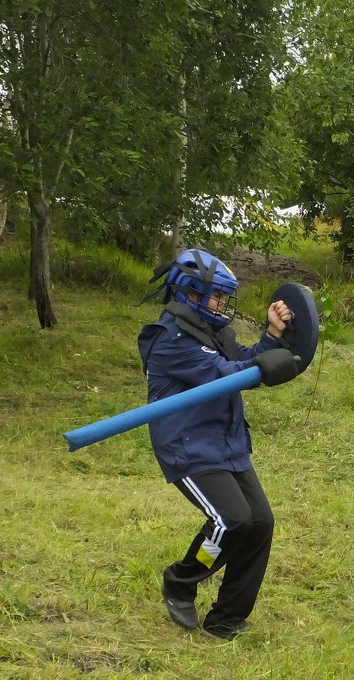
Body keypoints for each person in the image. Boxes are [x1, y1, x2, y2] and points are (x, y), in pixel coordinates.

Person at [137, 248, 295, 640]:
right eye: (217, 295)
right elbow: (225, 374)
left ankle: (226, 617)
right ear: (190, 293)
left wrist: (273, 335)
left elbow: (247, 359)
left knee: (259, 523)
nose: (222, 304)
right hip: (187, 447)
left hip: (225, 443)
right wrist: (262, 367)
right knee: (231, 521)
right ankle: (182, 579)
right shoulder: (170, 340)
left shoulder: (212, 331)